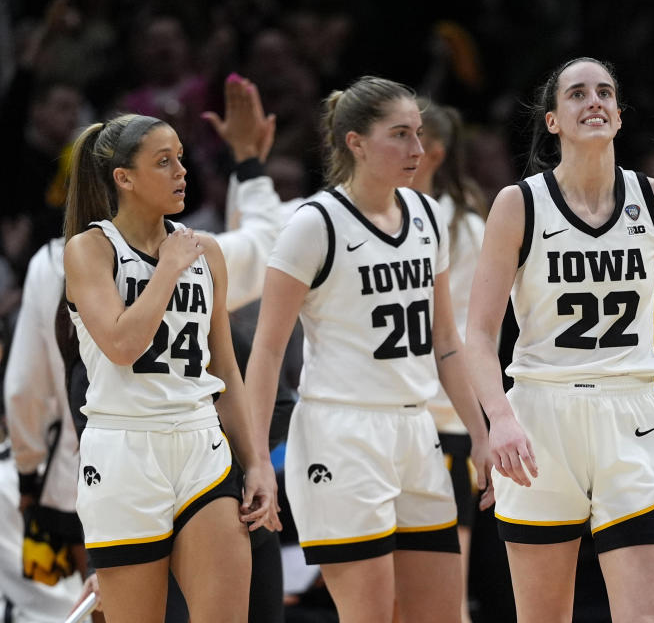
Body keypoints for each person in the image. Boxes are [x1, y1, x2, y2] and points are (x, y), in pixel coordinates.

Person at [243, 75, 495, 623]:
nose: (417, 149)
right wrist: (258, 458)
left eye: (419, 134)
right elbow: (265, 352)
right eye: (400, 135)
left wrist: (481, 434)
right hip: (341, 436)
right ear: (355, 142)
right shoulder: (313, 224)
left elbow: (446, 344)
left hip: (416, 431)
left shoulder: (427, 216)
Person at [465, 57, 654, 623]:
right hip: (541, 415)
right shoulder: (518, 204)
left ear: (620, 116)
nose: (593, 101)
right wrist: (499, 419)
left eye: (604, 93)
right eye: (577, 94)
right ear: (553, 121)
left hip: (634, 414)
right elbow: (478, 333)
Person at [61, 112, 280, 621]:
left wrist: (259, 465)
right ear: (124, 178)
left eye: (180, 157)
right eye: (164, 162)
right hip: (123, 452)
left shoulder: (206, 252)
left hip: (201, 444)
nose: (182, 170)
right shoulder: (89, 250)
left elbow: (224, 369)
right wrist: (168, 270)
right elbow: (120, 343)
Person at [410, 98, 487, 623]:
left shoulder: (463, 229)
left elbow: (461, 337)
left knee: (446, 596)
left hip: (444, 419)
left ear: (432, 152)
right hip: (392, 419)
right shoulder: (372, 221)